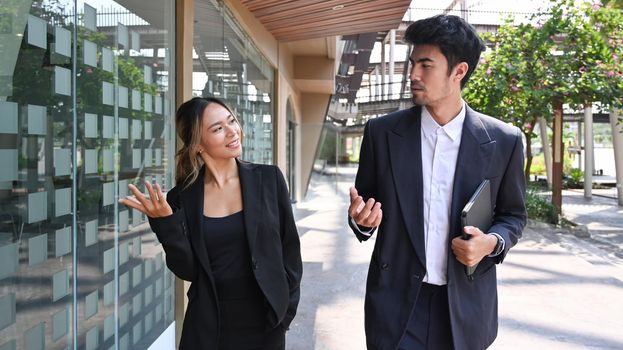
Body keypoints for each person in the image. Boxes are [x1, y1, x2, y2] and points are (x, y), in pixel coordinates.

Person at [347, 15, 526, 350]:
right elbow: (364, 207)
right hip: (397, 306)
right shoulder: (382, 134)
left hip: (465, 307)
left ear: (458, 71)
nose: (413, 74)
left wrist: (490, 243)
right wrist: (362, 221)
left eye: (425, 65)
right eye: (412, 63)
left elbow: (513, 216)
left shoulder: (504, 141)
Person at [120, 97, 302, 350]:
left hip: (266, 324)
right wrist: (166, 223)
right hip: (208, 326)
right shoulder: (180, 198)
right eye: (218, 128)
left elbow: (289, 249)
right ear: (197, 145)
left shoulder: (269, 179)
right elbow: (188, 271)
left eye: (232, 121)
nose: (232, 131)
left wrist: (285, 311)